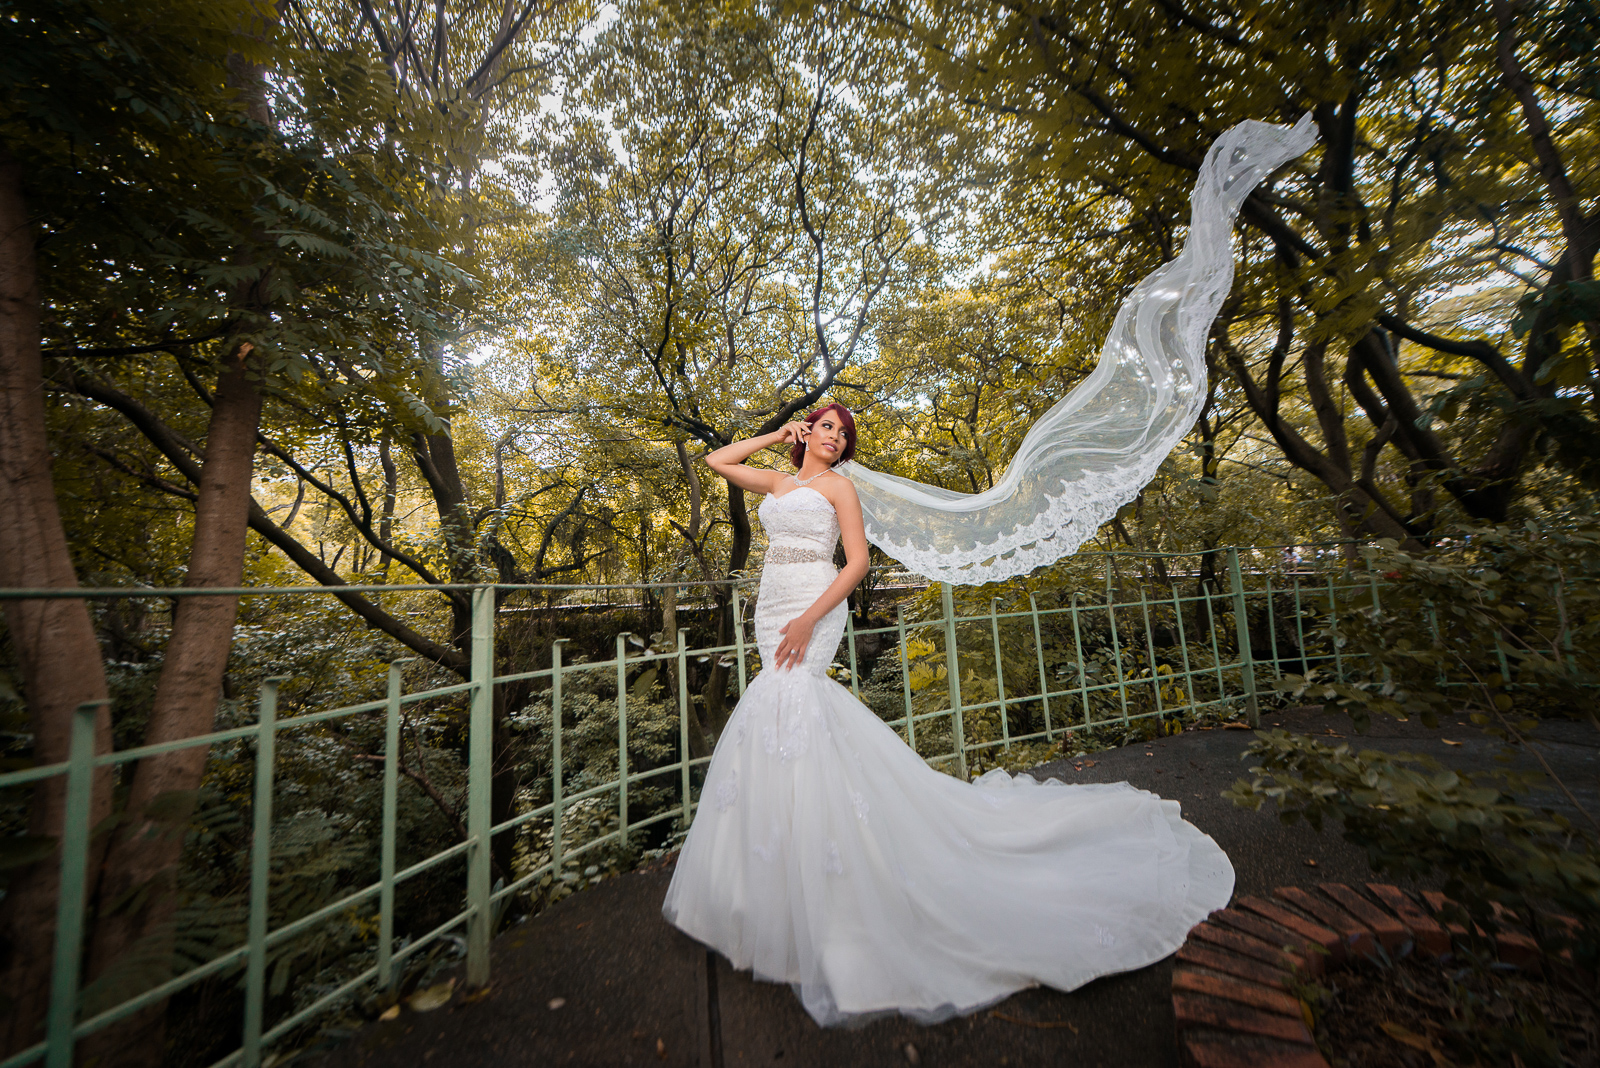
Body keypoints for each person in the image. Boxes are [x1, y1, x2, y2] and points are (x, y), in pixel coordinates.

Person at [660, 402, 1235, 1027]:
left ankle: (827, 887)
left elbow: (856, 563)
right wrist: (774, 435)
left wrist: (807, 618)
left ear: (846, 449)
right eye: (824, 426)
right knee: (774, 721)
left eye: (842, 433)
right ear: (807, 434)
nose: (832, 437)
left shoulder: (841, 489)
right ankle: (773, 885)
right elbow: (717, 459)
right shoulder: (779, 480)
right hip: (770, 605)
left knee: (795, 709)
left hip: (812, 607)